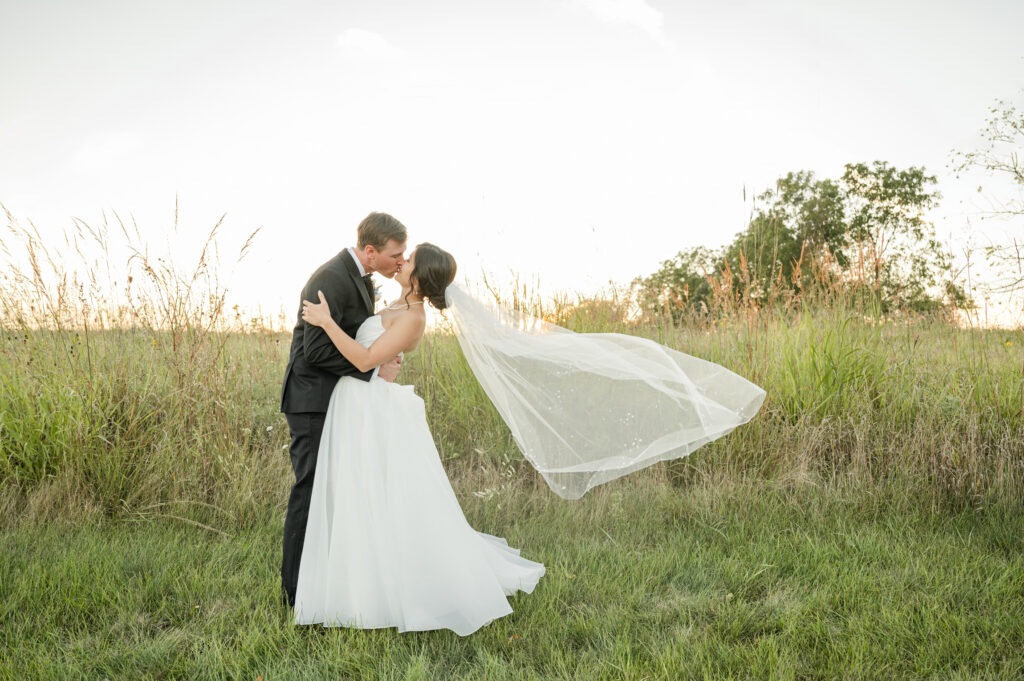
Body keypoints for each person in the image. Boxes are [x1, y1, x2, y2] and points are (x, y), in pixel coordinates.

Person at [293, 243, 545, 635]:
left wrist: (326, 323)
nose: (401, 261)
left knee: (381, 498)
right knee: (361, 497)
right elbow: (374, 357)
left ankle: (384, 591)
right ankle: (356, 581)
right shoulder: (393, 304)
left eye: (408, 260)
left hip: (373, 409)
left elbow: (363, 361)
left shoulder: (413, 317)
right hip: (357, 405)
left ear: (419, 275)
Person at [278, 211, 408, 608]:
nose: (400, 262)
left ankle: (327, 581)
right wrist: (370, 368)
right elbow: (312, 351)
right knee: (311, 489)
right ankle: (295, 593)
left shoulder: (360, 278)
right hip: (312, 403)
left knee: (333, 492)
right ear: (370, 252)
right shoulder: (331, 278)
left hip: (334, 399)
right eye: (395, 255)